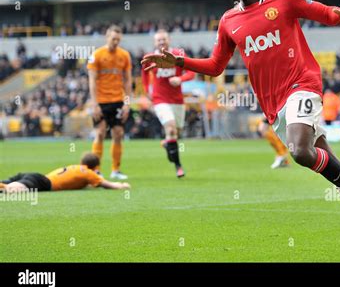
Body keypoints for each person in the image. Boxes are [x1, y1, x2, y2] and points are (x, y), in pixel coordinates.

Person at [142, 0, 340, 261]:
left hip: (303, 84)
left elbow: (326, 14)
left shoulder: (284, 1)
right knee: (333, 173)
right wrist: (178, 61)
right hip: (274, 105)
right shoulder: (229, 21)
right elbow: (215, 66)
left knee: (300, 152)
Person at [141, 30, 195, 178]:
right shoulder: (150, 58)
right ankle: (179, 167)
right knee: (171, 128)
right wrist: (147, 91)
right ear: (154, 43)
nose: (161, 42)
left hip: (177, 100)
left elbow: (192, 72)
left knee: (176, 132)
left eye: (163, 39)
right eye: (158, 40)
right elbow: (144, 74)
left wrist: (180, 79)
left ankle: (167, 143)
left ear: (169, 40)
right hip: (159, 100)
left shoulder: (178, 54)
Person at [87, 25, 132, 180]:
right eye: (113, 39)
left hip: (118, 100)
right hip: (100, 101)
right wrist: (94, 104)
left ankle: (115, 170)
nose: (115, 42)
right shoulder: (97, 55)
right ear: (107, 37)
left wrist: (127, 103)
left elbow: (127, 80)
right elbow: (91, 81)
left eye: (118, 39)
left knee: (118, 134)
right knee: (99, 133)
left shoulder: (124, 55)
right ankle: (96, 169)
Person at [0, 153, 130, 193]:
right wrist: (121, 185)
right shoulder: (89, 173)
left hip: (38, 176)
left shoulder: (77, 168)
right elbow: (106, 184)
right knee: (12, 190)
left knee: (6, 182)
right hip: (44, 182)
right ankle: (5, 188)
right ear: (96, 166)